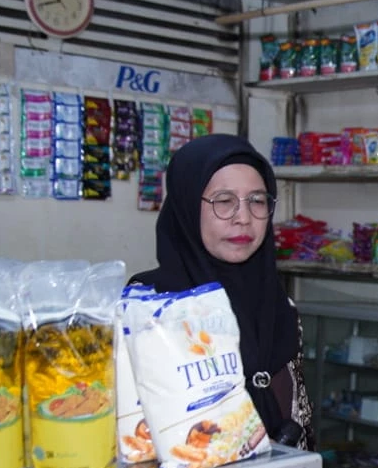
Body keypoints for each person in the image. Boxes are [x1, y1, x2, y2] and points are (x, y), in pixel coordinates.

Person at [131, 134, 314, 447]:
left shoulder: (279, 305)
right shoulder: (150, 304)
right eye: (224, 201)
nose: (243, 218)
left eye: (257, 201)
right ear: (187, 206)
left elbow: (302, 422)